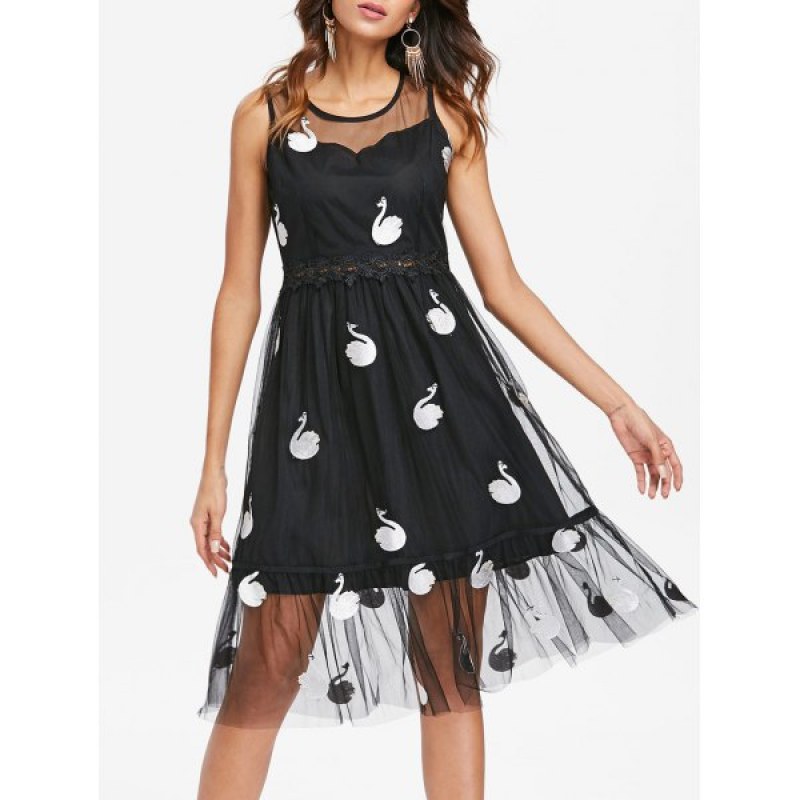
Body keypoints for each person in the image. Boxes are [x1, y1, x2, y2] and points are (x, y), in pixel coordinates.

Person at [190, 2, 697, 798]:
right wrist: (213, 464)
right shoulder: (266, 116)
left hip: (440, 415)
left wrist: (618, 404)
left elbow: (504, 288)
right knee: (267, 663)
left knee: (450, 662)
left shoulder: (447, 116)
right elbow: (238, 294)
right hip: (310, 418)